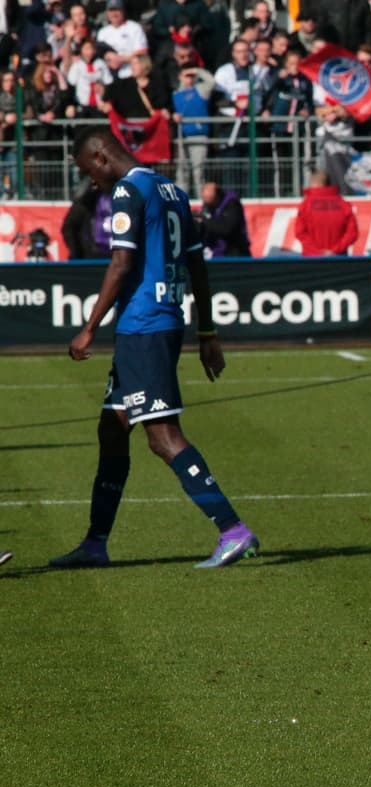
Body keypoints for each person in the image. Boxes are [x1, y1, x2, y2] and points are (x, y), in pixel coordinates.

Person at [49, 127, 259, 570]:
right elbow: (197, 265)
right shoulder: (173, 190)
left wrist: (89, 327)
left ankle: (232, 528)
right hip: (162, 320)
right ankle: (95, 543)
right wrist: (206, 332)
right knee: (112, 427)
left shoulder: (129, 191)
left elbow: (122, 262)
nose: (91, 183)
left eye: (88, 171)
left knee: (163, 437)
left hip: (144, 325)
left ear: (101, 158)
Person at [295, 170, 359, 256]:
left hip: (311, 259)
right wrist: (334, 251)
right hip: (339, 259)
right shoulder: (344, 204)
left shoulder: (305, 205)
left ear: (315, 184)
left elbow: (300, 233)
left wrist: (317, 252)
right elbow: (352, 234)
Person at [198, 182, 251, 257]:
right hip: (214, 252)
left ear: (217, 197)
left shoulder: (232, 204)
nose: (207, 206)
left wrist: (204, 221)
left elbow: (227, 229)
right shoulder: (208, 206)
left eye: (210, 203)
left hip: (235, 251)